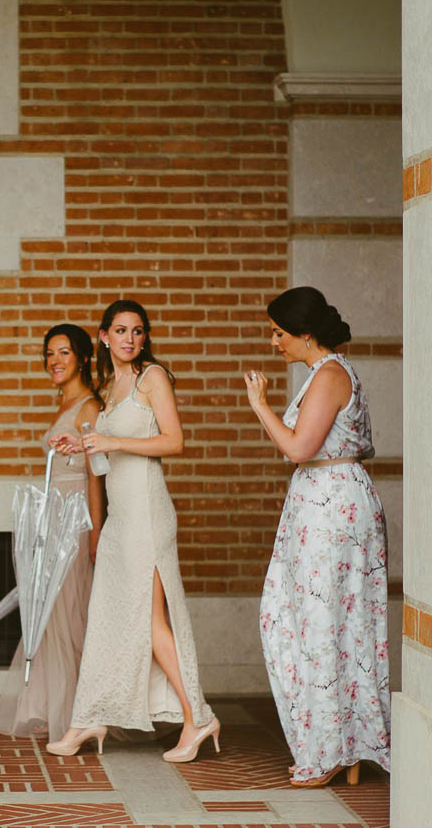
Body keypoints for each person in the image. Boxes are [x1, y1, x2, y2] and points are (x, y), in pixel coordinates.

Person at [47, 300, 218, 762]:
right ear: (103, 337)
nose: (130, 339)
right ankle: (90, 716)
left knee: (150, 619)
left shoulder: (152, 377)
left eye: (137, 331)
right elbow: (105, 457)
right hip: (121, 517)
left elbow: (174, 441)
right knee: (107, 615)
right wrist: (81, 444)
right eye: (120, 331)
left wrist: (112, 439)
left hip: (147, 511)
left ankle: (197, 718)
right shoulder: (110, 385)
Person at [243, 286, 389, 787]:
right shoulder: (324, 373)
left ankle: (331, 750)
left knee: (321, 623)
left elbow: (300, 448)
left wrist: (260, 406)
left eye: (279, 333)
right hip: (325, 503)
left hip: (331, 507)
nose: (273, 342)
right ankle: (342, 746)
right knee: (324, 623)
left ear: (305, 333)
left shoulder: (328, 374)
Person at [0, 325, 104, 741]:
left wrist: (94, 532)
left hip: (75, 523)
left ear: (84, 359)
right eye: (49, 354)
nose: (54, 361)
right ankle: (47, 705)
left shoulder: (89, 407)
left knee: (66, 613)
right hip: (53, 520)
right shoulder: (68, 402)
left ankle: (76, 710)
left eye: (64, 353)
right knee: (49, 614)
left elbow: (95, 477)